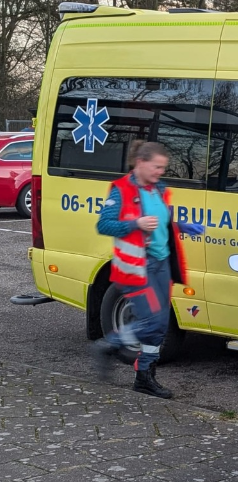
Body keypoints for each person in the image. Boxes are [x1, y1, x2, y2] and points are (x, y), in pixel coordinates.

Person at [91, 142, 204, 398]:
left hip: (161, 264)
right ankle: (109, 345)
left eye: (163, 168)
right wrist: (136, 223)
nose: (160, 172)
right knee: (152, 321)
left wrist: (183, 226)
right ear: (140, 163)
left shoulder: (159, 189)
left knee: (160, 326)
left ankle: (144, 378)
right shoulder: (120, 189)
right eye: (157, 167)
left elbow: (160, 220)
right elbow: (104, 225)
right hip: (137, 267)